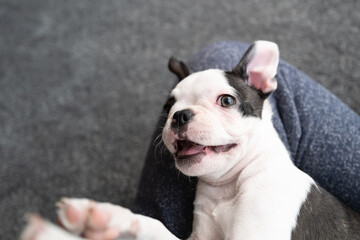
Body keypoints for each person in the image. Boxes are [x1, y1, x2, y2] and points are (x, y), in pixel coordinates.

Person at [133, 41, 360, 239]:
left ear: (261, 81)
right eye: (171, 106)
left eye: (225, 101)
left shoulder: (276, 183)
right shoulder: (212, 186)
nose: (179, 116)